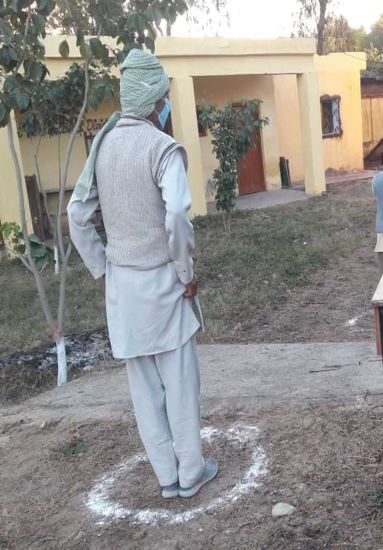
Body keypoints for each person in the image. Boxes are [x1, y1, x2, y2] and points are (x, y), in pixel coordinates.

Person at [67, 49, 218, 500]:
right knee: (180, 383)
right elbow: (176, 216)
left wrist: (101, 268)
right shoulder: (162, 148)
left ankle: (167, 477)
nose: (166, 104)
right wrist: (186, 271)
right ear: (155, 99)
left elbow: (77, 215)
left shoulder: (103, 147)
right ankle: (191, 471)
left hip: (124, 289)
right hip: (164, 285)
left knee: (145, 390)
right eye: (165, 96)